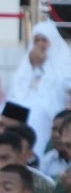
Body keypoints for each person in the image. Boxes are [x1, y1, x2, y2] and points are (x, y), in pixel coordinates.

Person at [11, 21, 71, 149]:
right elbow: (17, 91)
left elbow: (60, 88)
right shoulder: (27, 64)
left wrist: (43, 66)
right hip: (26, 108)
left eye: (44, 40)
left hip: (52, 111)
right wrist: (33, 66)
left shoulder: (65, 64)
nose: (40, 44)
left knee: (36, 114)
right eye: (36, 40)